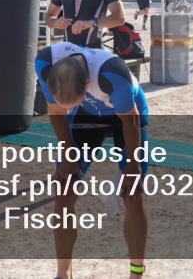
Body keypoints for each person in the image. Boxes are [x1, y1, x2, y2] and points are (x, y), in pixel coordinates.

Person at [35, 41, 149, 279]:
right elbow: (56, 113)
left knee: (132, 195)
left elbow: (131, 121)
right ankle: (63, 275)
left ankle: (136, 273)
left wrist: (132, 166)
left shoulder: (112, 74)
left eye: (73, 102)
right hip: (87, 113)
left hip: (127, 117)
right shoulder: (45, 63)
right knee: (64, 189)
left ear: (86, 84)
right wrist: (68, 155)